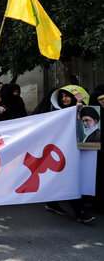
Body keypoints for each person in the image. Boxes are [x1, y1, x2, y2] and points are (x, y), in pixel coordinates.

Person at [42, 85, 95, 223]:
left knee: (65, 178)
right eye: (62, 97)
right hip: (62, 151)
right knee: (71, 179)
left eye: (67, 96)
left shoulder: (81, 110)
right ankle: (80, 213)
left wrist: (80, 105)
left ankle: (52, 203)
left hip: (77, 150)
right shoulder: (57, 113)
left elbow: (83, 122)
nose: (64, 99)